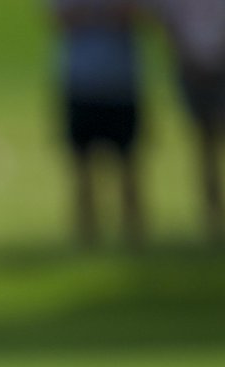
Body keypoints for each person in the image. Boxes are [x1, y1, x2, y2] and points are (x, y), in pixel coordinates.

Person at [48, 0, 147, 247]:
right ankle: (87, 236)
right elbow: (59, 18)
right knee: (81, 166)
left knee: (128, 163)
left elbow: (140, 15)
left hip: (121, 81)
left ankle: (134, 234)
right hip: (80, 80)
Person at [143, 0, 225, 242]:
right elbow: (165, 20)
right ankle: (212, 215)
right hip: (190, 67)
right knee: (205, 143)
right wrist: (184, 55)